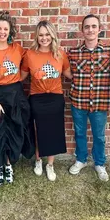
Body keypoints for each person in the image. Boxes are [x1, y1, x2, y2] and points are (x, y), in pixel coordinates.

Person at [0, 11, 34, 186]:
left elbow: (27, 66)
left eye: (5, 29)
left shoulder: (17, 49)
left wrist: (17, 82)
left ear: (10, 31)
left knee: (13, 131)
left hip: (15, 96)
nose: (2, 32)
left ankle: (9, 165)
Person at [21, 20, 72, 181]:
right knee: (38, 132)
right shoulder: (30, 55)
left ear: (52, 35)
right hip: (37, 98)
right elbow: (20, 78)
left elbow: (70, 75)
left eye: (47, 34)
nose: (44, 38)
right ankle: (38, 160)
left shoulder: (60, 54)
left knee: (53, 132)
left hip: (55, 97)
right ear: (37, 36)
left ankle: (50, 164)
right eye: (41, 35)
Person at [68, 14, 110, 181]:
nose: (90, 30)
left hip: (100, 102)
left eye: (93, 26)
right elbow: (68, 74)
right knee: (80, 132)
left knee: (99, 135)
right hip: (78, 101)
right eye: (87, 27)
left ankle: (100, 163)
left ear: (99, 29)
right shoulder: (73, 53)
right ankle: (81, 159)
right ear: (82, 31)